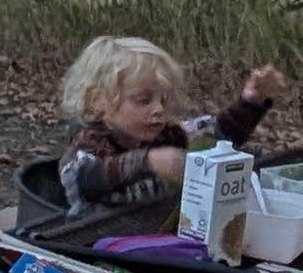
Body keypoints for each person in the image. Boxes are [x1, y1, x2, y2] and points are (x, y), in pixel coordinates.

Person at [54, 35, 287, 212]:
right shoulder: (88, 145)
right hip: (99, 244)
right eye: (143, 100)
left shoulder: (167, 136)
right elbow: (87, 181)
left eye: (163, 100)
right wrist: (146, 161)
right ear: (97, 101)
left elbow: (218, 135)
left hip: (161, 235)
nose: (158, 109)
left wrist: (251, 103)